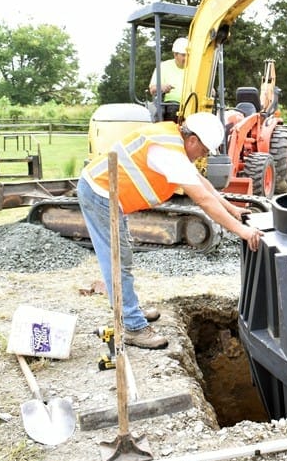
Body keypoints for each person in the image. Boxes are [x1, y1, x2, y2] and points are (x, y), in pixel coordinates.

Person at [77, 112, 262, 349]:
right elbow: (203, 200)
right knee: (116, 261)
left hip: (109, 193)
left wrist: (233, 209)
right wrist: (242, 232)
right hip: (100, 194)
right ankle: (133, 326)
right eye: (204, 150)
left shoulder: (173, 141)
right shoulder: (169, 153)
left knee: (122, 257)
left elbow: (203, 184)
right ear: (192, 140)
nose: (202, 156)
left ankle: (128, 307)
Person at [149, 37, 188, 103]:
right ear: (175, 55)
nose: (186, 58)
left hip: (193, 104)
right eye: (183, 55)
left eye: (188, 55)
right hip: (171, 105)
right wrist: (161, 87)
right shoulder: (163, 66)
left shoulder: (195, 68)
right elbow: (152, 89)